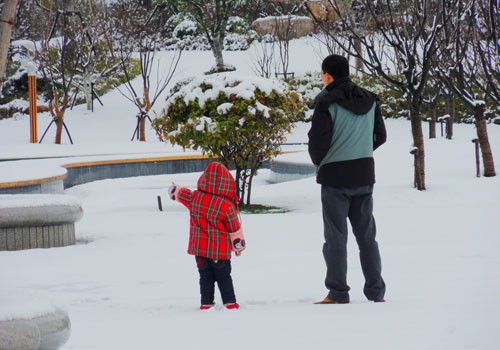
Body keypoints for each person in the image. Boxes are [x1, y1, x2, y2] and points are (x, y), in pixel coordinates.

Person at [308, 54, 387, 304]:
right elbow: (380, 136)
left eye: (322, 75)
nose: (322, 79)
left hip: (335, 178)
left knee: (335, 237)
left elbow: (316, 144)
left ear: (328, 75)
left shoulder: (326, 102)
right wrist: (359, 151)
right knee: (367, 237)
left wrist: (323, 163)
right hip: (364, 174)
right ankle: (376, 292)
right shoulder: (371, 99)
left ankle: (338, 293)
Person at [169, 162, 246, 310]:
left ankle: (206, 303)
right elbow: (234, 228)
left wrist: (174, 189)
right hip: (220, 252)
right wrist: (239, 246)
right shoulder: (226, 205)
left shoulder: (195, 198)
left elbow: (181, 193)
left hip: (200, 251)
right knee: (224, 277)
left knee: (205, 278)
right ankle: (230, 303)